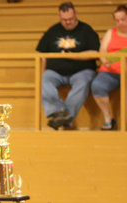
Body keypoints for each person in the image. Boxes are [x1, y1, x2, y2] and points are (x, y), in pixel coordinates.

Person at [35, 2, 101, 130]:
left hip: (82, 70)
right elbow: (42, 54)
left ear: (76, 15)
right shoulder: (52, 30)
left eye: (70, 19)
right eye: (64, 20)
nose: (68, 22)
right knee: (44, 80)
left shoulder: (87, 30)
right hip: (55, 72)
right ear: (59, 17)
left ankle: (64, 117)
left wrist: (74, 56)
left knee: (83, 82)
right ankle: (61, 114)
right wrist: (43, 72)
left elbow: (96, 53)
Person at [91, 5, 127, 130]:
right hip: (111, 71)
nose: (120, 23)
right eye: (117, 20)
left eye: (123, 19)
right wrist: (104, 60)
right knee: (97, 86)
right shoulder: (110, 32)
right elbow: (102, 51)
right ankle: (108, 119)